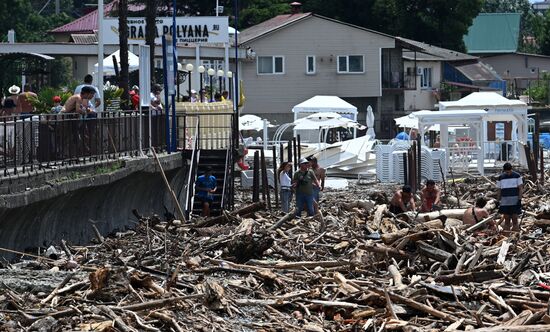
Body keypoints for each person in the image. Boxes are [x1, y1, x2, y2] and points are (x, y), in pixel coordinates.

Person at [497, 162, 523, 231]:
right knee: (507, 220)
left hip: (515, 201)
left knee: (515, 220)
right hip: (505, 201)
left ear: (511, 169)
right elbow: (499, 190)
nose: (508, 173)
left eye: (509, 171)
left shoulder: (517, 176)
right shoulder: (501, 177)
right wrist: (497, 201)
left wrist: (519, 200)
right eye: (506, 172)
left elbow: (520, 189)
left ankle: (516, 236)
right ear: (504, 170)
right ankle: (506, 237)